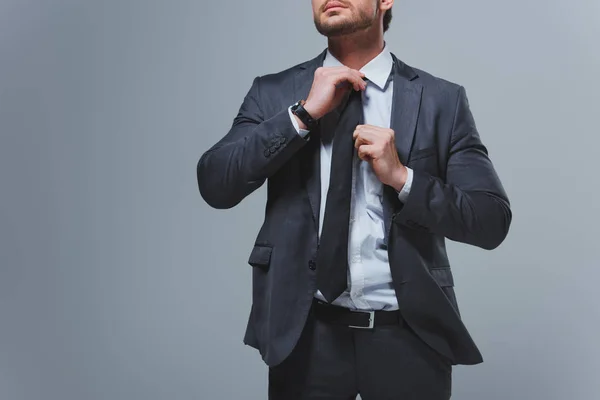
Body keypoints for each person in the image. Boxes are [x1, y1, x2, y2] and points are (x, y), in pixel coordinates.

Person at [197, 0, 512, 398]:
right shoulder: (274, 93)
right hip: (305, 338)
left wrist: (402, 178)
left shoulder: (440, 100)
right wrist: (302, 115)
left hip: (409, 338)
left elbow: (490, 220)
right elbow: (215, 183)